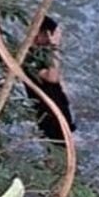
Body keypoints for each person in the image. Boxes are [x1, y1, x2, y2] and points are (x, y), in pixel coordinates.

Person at [22, 16, 76, 145]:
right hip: (48, 112)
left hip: (58, 108)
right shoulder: (29, 58)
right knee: (55, 147)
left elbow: (59, 81)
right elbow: (52, 77)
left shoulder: (43, 53)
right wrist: (55, 47)